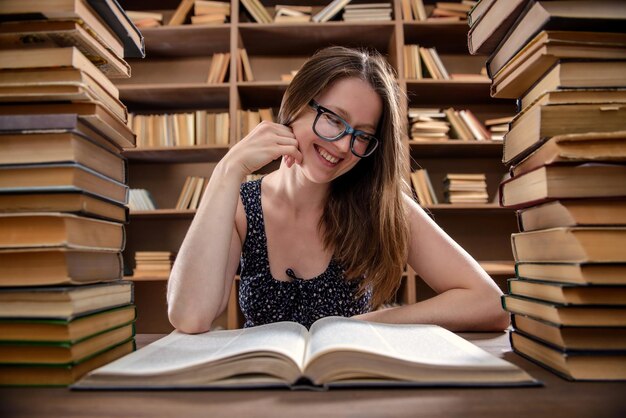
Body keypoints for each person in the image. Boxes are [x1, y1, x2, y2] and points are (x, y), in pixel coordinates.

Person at [167, 46, 510, 334]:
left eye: (362, 134)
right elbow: (190, 316)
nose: (344, 145)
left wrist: (376, 321)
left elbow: (490, 303)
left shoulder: (382, 205)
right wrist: (227, 171)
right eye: (333, 118)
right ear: (296, 103)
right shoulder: (241, 205)